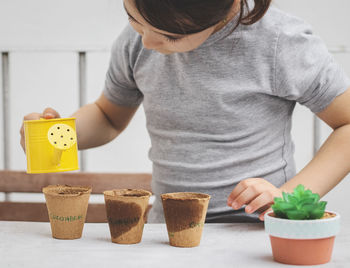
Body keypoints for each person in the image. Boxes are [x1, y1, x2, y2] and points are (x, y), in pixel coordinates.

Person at [20, 0, 350, 223]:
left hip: (257, 228)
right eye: (133, 19)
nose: (147, 42)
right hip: (166, 228)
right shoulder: (139, 39)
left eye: (170, 36)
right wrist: (58, 134)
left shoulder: (280, 43)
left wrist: (285, 196)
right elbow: (108, 117)